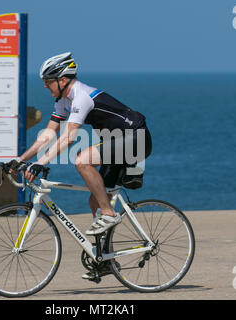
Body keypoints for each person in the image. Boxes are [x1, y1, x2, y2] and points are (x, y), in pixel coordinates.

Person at [14, 52, 152, 278]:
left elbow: (68, 138)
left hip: (136, 139)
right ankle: (107, 260)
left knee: (82, 160)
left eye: (48, 82)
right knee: (94, 200)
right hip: (118, 142)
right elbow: (48, 134)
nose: (46, 87)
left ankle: (109, 213)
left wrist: (41, 162)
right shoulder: (62, 101)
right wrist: (22, 159)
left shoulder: (81, 97)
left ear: (62, 79)